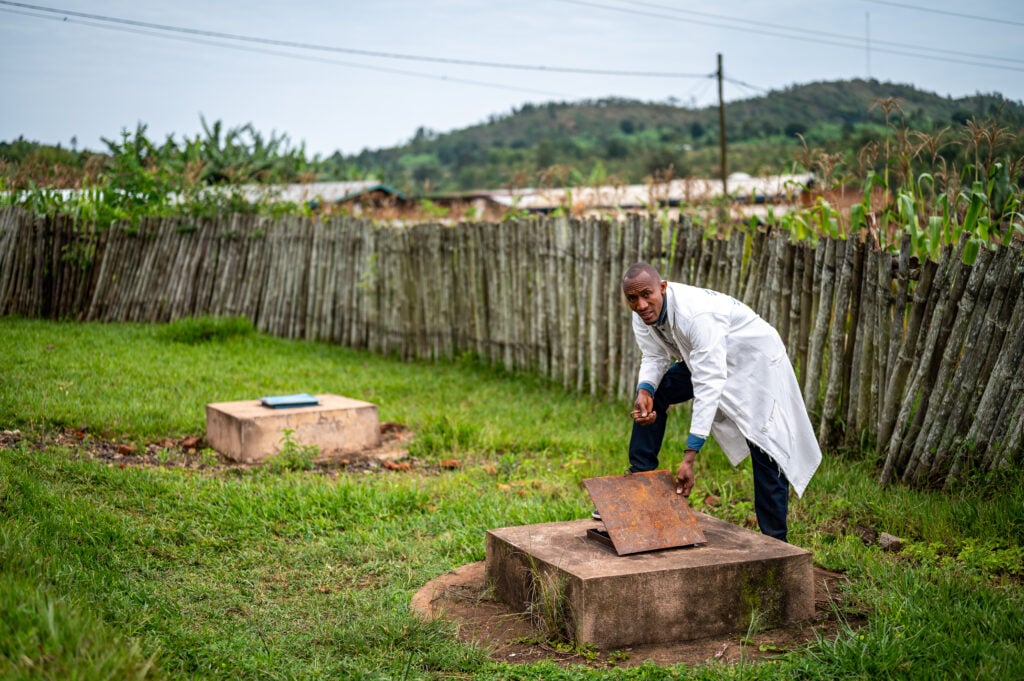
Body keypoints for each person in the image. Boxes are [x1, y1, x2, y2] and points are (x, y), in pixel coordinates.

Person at [620, 261, 821, 543]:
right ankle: (641, 476)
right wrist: (645, 390)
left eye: (646, 295)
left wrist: (690, 455)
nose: (640, 304)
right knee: (657, 394)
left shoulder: (696, 315)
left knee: (765, 447)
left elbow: (708, 383)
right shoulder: (643, 315)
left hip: (755, 363)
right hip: (708, 359)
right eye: (632, 298)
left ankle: (776, 542)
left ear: (662, 288)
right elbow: (654, 356)